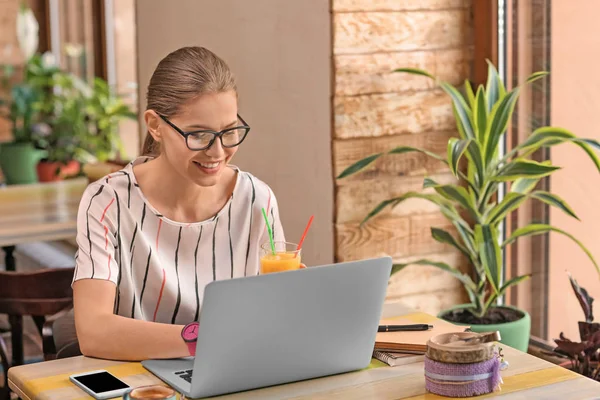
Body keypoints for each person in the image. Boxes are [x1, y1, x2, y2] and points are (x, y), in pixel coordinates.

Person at [72, 46, 285, 361]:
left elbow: (273, 316)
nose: (217, 152)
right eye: (198, 135)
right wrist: (206, 338)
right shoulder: (109, 202)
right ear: (155, 125)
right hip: (143, 386)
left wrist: (292, 303)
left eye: (229, 132)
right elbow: (93, 332)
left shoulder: (256, 199)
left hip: (236, 373)